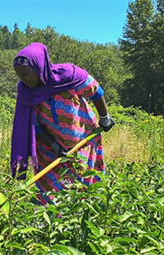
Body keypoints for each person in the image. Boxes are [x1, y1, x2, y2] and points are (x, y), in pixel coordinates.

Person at [11, 42, 115, 205]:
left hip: (82, 141)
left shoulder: (69, 75)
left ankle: (83, 218)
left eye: (25, 73)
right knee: (50, 188)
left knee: (81, 184)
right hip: (49, 146)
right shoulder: (27, 92)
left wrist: (105, 117)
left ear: (38, 66)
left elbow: (96, 92)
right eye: (19, 76)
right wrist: (55, 147)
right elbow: (35, 125)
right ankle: (49, 222)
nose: (23, 79)